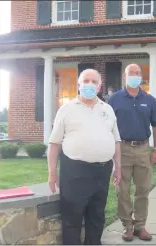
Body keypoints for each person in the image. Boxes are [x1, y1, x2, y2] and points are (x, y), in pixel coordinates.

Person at [47, 69, 122, 245]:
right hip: (75, 171)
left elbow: (116, 140)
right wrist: (52, 172)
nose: (89, 84)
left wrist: (118, 167)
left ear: (99, 86)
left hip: (102, 171)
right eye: (85, 81)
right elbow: (54, 143)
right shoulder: (66, 109)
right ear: (79, 85)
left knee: (96, 216)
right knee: (72, 218)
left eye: (94, 82)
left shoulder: (108, 109)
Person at [108, 64, 156, 242]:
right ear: (125, 76)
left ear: (141, 76)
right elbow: (108, 126)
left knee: (143, 189)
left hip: (143, 149)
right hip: (121, 149)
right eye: (131, 73)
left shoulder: (150, 100)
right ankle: (127, 227)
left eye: (138, 73)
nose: (135, 76)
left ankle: (140, 226)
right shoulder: (114, 99)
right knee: (122, 190)